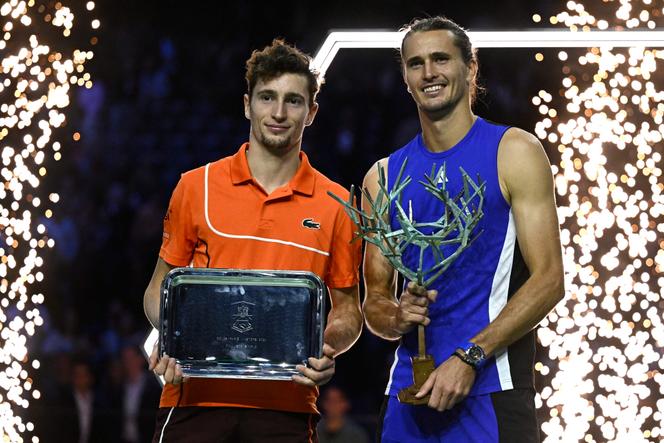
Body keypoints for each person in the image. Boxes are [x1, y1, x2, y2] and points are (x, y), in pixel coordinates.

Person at [143, 39, 363, 442]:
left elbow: (348, 312)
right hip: (194, 399)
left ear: (311, 112)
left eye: (293, 101)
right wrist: (175, 336)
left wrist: (325, 347)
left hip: (287, 407)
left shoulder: (338, 204)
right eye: (267, 97)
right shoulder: (196, 186)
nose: (279, 113)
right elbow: (159, 289)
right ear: (248, 104)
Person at [362, 17, 565, 442]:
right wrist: (396, 316)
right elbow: (374, 302)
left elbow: (549, 281)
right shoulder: (381, 177)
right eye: (415, 63)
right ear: (405, 76)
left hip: (491, 388)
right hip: (409, 394)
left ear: (470, 68)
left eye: (441, 59)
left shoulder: (515, 152)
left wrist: (470, 355)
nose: (429, 72)